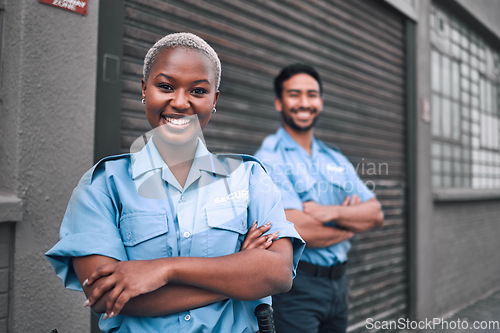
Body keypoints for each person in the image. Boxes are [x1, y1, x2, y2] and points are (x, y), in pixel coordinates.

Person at [46, 32, 304, 333]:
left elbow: (278, 273)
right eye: (165, 86)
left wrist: (164, 270)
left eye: (198, 91)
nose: (180, 102)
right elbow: (105, 296)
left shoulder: (250, 178)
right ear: (144, 89)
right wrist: (240, 273)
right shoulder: (103, 186)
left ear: (214, 99)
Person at [255, 63, 384, 333]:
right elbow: (300, 230)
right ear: (279, 103)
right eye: (295, 94)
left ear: (321, 102)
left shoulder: (334, 157)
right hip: (297, 289)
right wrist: (351, 223)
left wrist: (330, 213)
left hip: (339, 286)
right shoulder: (270, 158)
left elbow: (375, 214)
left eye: (312, 95)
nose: (304, 102)